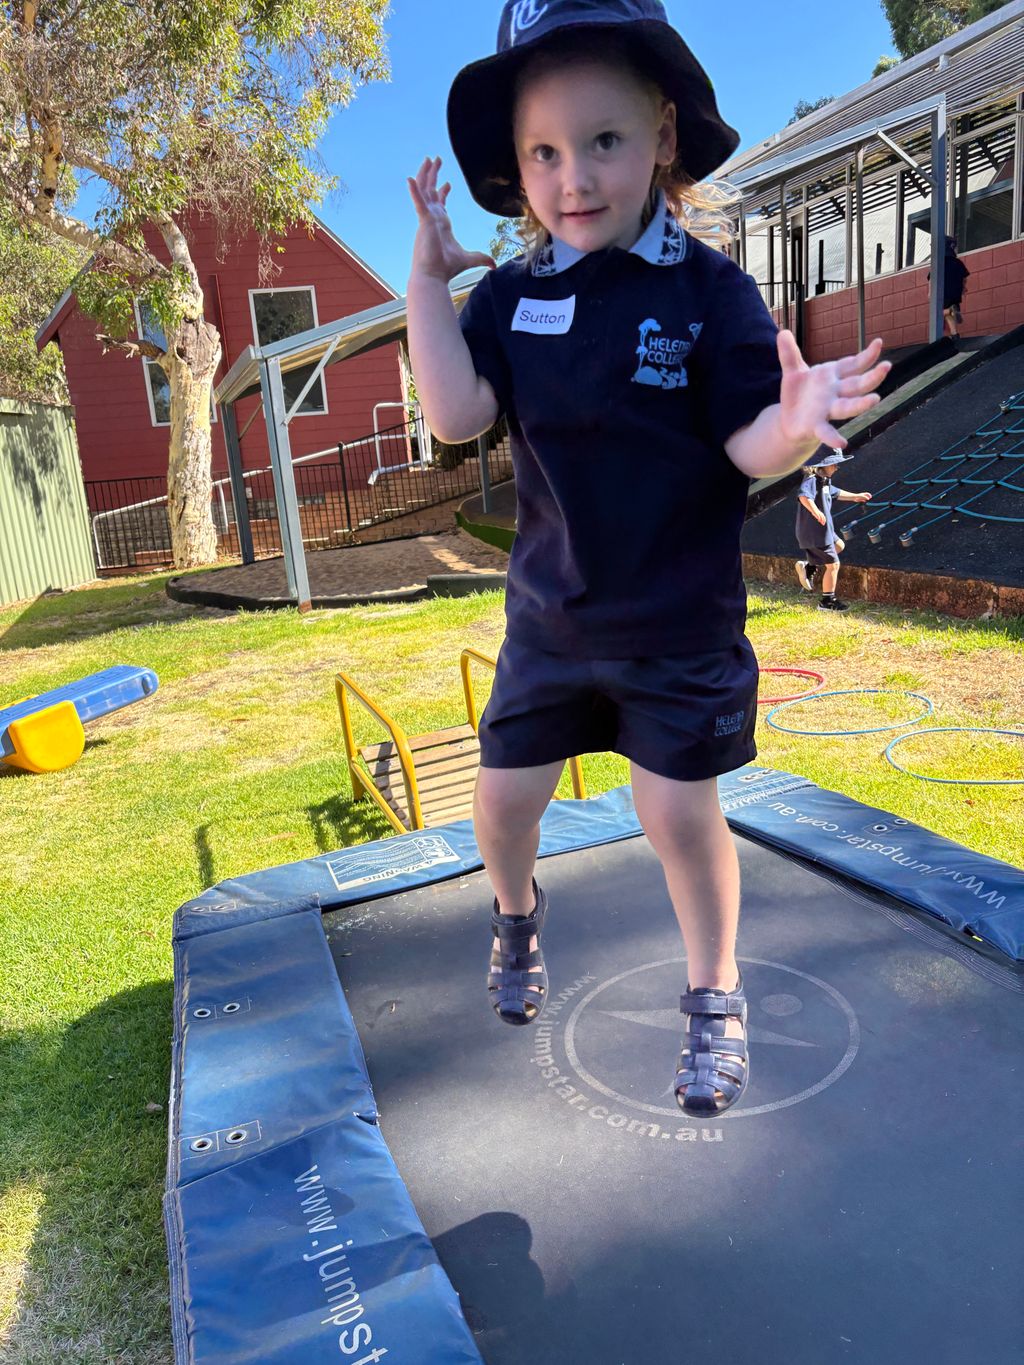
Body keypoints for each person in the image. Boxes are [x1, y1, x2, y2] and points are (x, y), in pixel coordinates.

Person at [405, 0, 889, 1117]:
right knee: (502, 802)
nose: (573, 177)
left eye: (604, 141)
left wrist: (793, 419)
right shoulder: (513, 295)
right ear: (517, 163)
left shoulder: (706, 291)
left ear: (663, 135)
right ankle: (516, 918)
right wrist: (428, 285)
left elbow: (746, 442)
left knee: (675, 815)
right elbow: (453, 413)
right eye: (543, 152)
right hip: (552, 625)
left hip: (675, 626)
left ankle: (716, 997)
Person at [795, 449, 873, 610]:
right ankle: (827, 601)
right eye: (834, 464)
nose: (837, 467)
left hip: (824, 531)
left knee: (839, 545)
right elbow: (804, 496)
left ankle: (810, 565)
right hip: (815, 532)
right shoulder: (811, 479)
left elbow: (835, 493)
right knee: (833, 565)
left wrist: (856, 496)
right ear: (823, 465)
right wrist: (815, 511)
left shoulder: (824, 481)